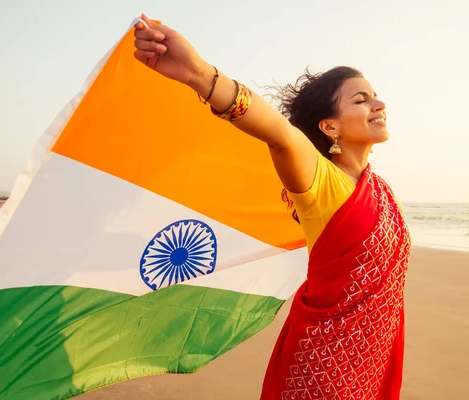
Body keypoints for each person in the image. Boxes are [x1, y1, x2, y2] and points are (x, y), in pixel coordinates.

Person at [133, 14, 411, 400]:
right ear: (330, 127)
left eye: (375, 95)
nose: (378, 104)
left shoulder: (381, 190)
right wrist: (198, 73)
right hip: (326, 366)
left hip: (372, 360)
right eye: (361, 99)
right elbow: (279, 134)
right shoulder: (320, 181)